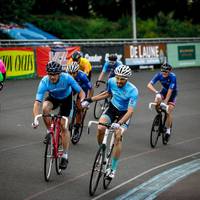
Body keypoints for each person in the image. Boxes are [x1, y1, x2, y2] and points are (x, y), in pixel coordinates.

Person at [82, 65, 138, 179]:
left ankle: (113, 169)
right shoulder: (111, 81)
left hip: (124, 113)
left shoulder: (133, 90)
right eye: (117, 78)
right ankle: (102, 149)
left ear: (127, 79)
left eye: (122, 79)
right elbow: (107, 94)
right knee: (100, 128)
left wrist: (120, 123)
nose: (119, 81)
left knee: (117, 136)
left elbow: (130, 112)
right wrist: (89, 100)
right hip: (112, 108)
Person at [32, 61, 85, 170]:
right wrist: (35, 118)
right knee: (45, 108)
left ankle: (65, 156)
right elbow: (37, 102)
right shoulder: (44, 81)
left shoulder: (67, 78)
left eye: (55, 74)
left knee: (63, 126)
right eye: (50, 74)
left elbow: (81, 91)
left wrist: (83, 101)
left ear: (59, 73)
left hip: (66, 99)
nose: (52, 77)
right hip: (53, 99)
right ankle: (49, 131)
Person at [147, 62, 177, 142]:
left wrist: (166, 102)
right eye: (162, 71)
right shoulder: (159, 75)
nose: (164, 73)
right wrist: (156, 92)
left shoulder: (173, 77)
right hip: (163, 91)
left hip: (172, 95)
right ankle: (159, 115)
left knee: (169, 111)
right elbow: (149, 85)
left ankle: (168, 131)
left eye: (166, 72)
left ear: (169, 71)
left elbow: (170, 91)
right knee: (157, 99)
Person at [66, 61, 93, 136]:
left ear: (77, 71)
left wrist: (88, 101)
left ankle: (77, 128)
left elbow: (91, 89)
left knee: (79, 108)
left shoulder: (83, 76)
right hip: (73, 88)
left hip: (82, 89)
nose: (71, 75)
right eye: (70, 73)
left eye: (74, 73)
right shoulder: (66, 75)